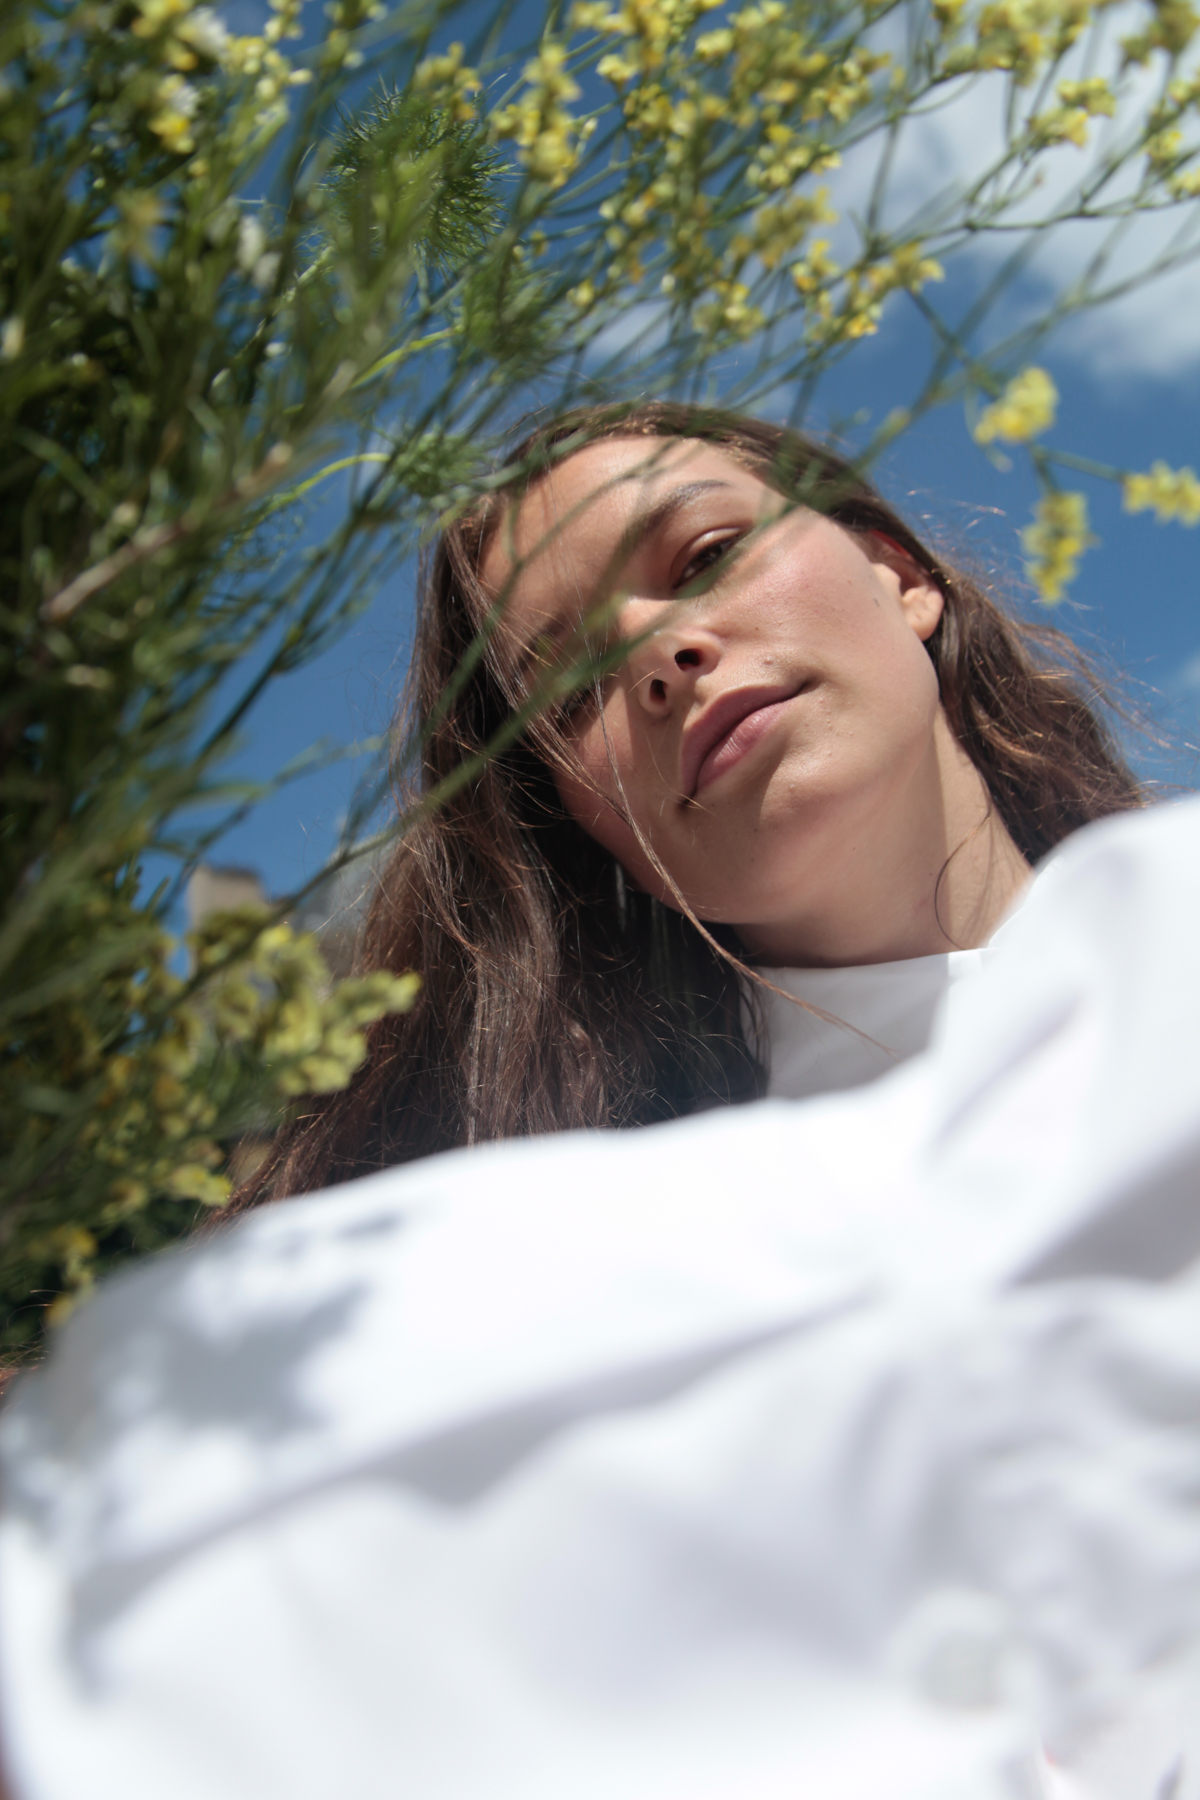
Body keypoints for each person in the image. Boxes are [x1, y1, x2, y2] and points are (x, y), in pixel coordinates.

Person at [241, 402, 1141, 1203]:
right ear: (580, 828)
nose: (656, 654)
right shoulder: (627, 1231)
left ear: (897, 576)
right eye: (570, 687)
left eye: (709, 555)